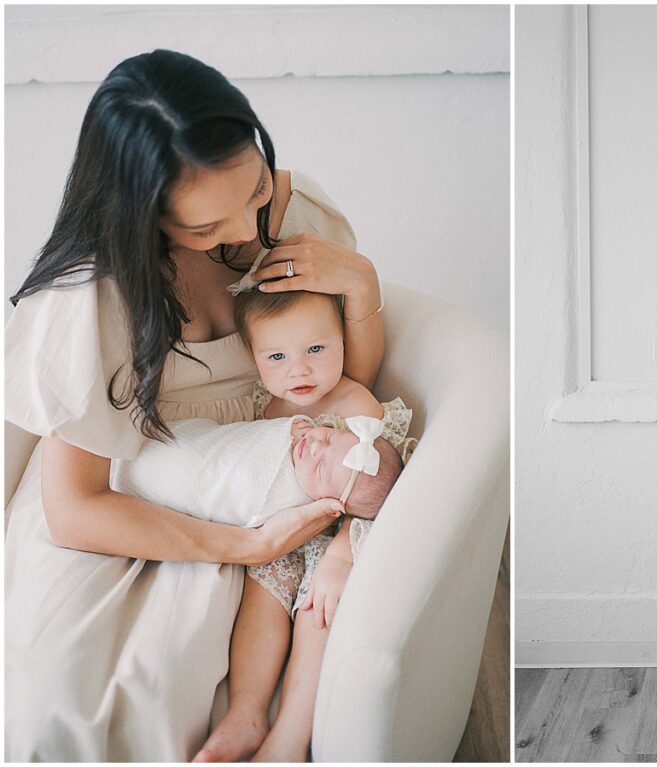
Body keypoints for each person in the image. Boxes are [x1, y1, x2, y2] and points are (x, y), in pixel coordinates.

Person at [4, 49, 385, 760]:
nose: (246, 229)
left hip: (274, 463)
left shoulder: (288, 214)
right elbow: (76, 508)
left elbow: (344, 389)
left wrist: (361, 289)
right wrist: (246, 544)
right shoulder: (92, 293)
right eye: (207, 228)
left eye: (253, 189)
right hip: (133, 496)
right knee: (83, 702)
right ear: (142, 217)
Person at [194, 285, 412, 761]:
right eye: (276, 356)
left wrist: (341, 555)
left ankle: (289, 737)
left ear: (342, 342)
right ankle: (247, 711)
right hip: (281, 536)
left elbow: (383, 493)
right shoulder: (262, 405)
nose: (299, 369)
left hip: (337, 537)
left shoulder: (358, 409)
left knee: (318, 611)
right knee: (263, 599)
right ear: (253, 358)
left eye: (316, 349)